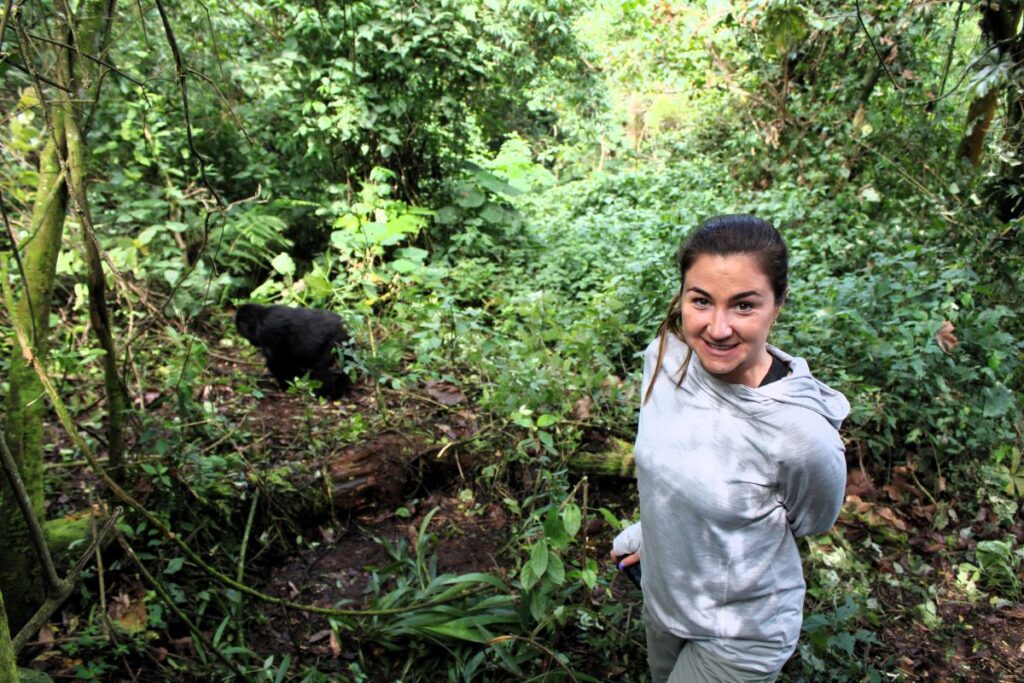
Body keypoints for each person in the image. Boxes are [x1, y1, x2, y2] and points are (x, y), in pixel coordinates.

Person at [610, 214, 849, 683]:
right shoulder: (665, 359)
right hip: (664, 598)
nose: (717, 329)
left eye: (744, 306)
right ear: (682, 298)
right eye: (701, 301)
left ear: (777, 305)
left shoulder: (801, 434)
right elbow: (672, 463)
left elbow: (810, 522)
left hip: (740, 636)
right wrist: (659, 539)